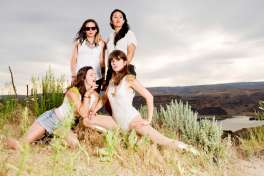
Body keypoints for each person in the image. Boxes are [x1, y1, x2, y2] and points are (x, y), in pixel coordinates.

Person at [83, 50, 198, 154]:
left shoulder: (129, 79)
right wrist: (93, 110)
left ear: (124, 62)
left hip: (132, 121)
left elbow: (149, 97)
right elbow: (104, 99)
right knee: (87, 120)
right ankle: (117, 136)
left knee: (162, 141)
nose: (114, 63)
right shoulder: (112, 81)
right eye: (112, 61)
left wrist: (148, 119)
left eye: (118, 60)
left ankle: (191, 150)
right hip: (116, 121)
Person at [6, 66, 99, 150]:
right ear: (83, 78)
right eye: (91, 75)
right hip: (52, 118)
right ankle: (4, 140)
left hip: (64, 125)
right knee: (21, 144)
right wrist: (87, 95)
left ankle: (49, 139)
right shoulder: (73, 92)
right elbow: (82, 112)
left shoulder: (95, 95)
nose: (94, 76)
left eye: (95, 74)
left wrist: (92, 112)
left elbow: (88, 114)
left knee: (75, 145)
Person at [104, 9, 137, 88]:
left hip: (126, 68)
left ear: (124, 21)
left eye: (120, 17)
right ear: (111, 21)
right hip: (111, 70)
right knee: (110, 97)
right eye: (115, 17)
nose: (118, 19)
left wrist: (122, 69)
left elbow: (131, 53)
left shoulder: (129, 34)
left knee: (124, 96)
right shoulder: (110, 36)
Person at [70, 19, 105, 93]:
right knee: (80, 101)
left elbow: (102, 62)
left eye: (93, 28)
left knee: (94, 100)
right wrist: (73, 76)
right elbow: (73, 60)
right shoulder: (79, 43)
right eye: (87, 28)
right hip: (81, 78)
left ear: (96, 30)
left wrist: (103, 77)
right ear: (84, 30)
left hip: (96, 78)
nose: (90, 30)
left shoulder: (101, 43)